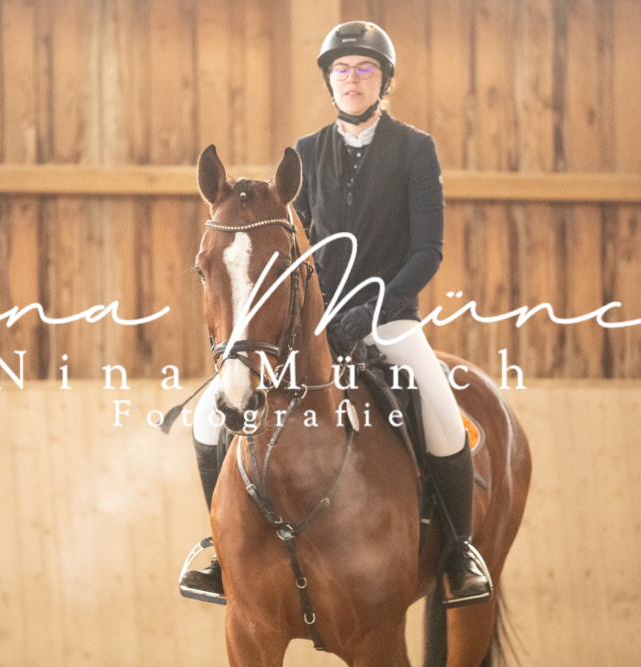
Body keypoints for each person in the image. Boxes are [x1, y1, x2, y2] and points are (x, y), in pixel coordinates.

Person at [180, 20, 491, 609]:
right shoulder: (306, 153)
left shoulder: (415, 150)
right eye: (342, 69)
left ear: (383, 81)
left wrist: (371, 310)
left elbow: (427, 252)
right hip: (317, 322)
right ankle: (223, 552)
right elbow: (298, 248)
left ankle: (459, 552)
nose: (353, 79)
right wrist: (313, 314)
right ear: (329, 80)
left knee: (443, 415)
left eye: (365, 69)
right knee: (206, 420)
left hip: (390, 316)